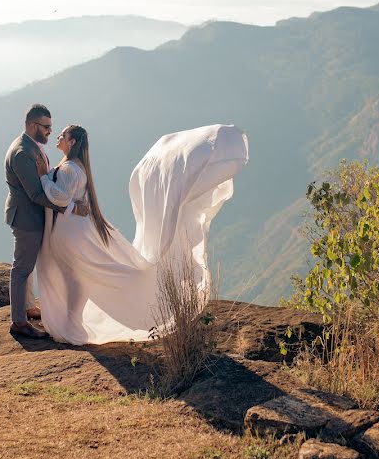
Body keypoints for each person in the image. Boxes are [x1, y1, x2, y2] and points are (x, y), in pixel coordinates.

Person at [35, 123, 248, 345]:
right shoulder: (72, 165)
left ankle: (72, 323)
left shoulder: (70, 168)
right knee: (75, 275)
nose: (58, 135)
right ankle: (72, 321)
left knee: (75, 275)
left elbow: (60, 197)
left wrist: (43, 177)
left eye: (63, 134)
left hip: (70, 230)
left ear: (72, 142)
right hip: (72, 228)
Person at [3, 104, 88, 339]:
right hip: (27, 218)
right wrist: (72, 207)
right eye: (47, 127)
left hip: (35, 217)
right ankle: (19, 322)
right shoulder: (22, 153)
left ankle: (28, 308)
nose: (51, 131)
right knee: (22, 268)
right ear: (32, 126)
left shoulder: (33, 147)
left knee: (28, 267)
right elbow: (36, 194)